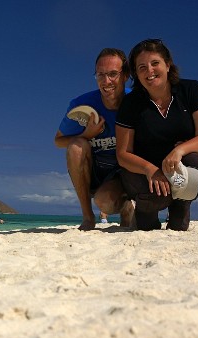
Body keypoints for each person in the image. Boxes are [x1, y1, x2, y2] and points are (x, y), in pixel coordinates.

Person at [115, 39, 198, 231]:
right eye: (141, 67)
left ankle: (180, 206)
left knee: (195, 162)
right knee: (147, 226)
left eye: (155, 63)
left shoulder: (192, 90)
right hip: (141, 171)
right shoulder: (131, 103)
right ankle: (145, 212)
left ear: (168, 65)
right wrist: (150, 169)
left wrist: (179, 150)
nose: (149, 71)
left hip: (179, 167)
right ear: (136, 74)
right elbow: (123, 154)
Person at [55, 48, 135, 231]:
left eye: (113, 74)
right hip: (96, 171)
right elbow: (58, 141)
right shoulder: (82, 105)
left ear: (126, 76)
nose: (106, 81)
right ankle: (88, 217)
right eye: (101, 75)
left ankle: (127, 206)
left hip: (126, 172)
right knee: (76, 146)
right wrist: (86, 135)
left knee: (106, 202)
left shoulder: (137, 101)